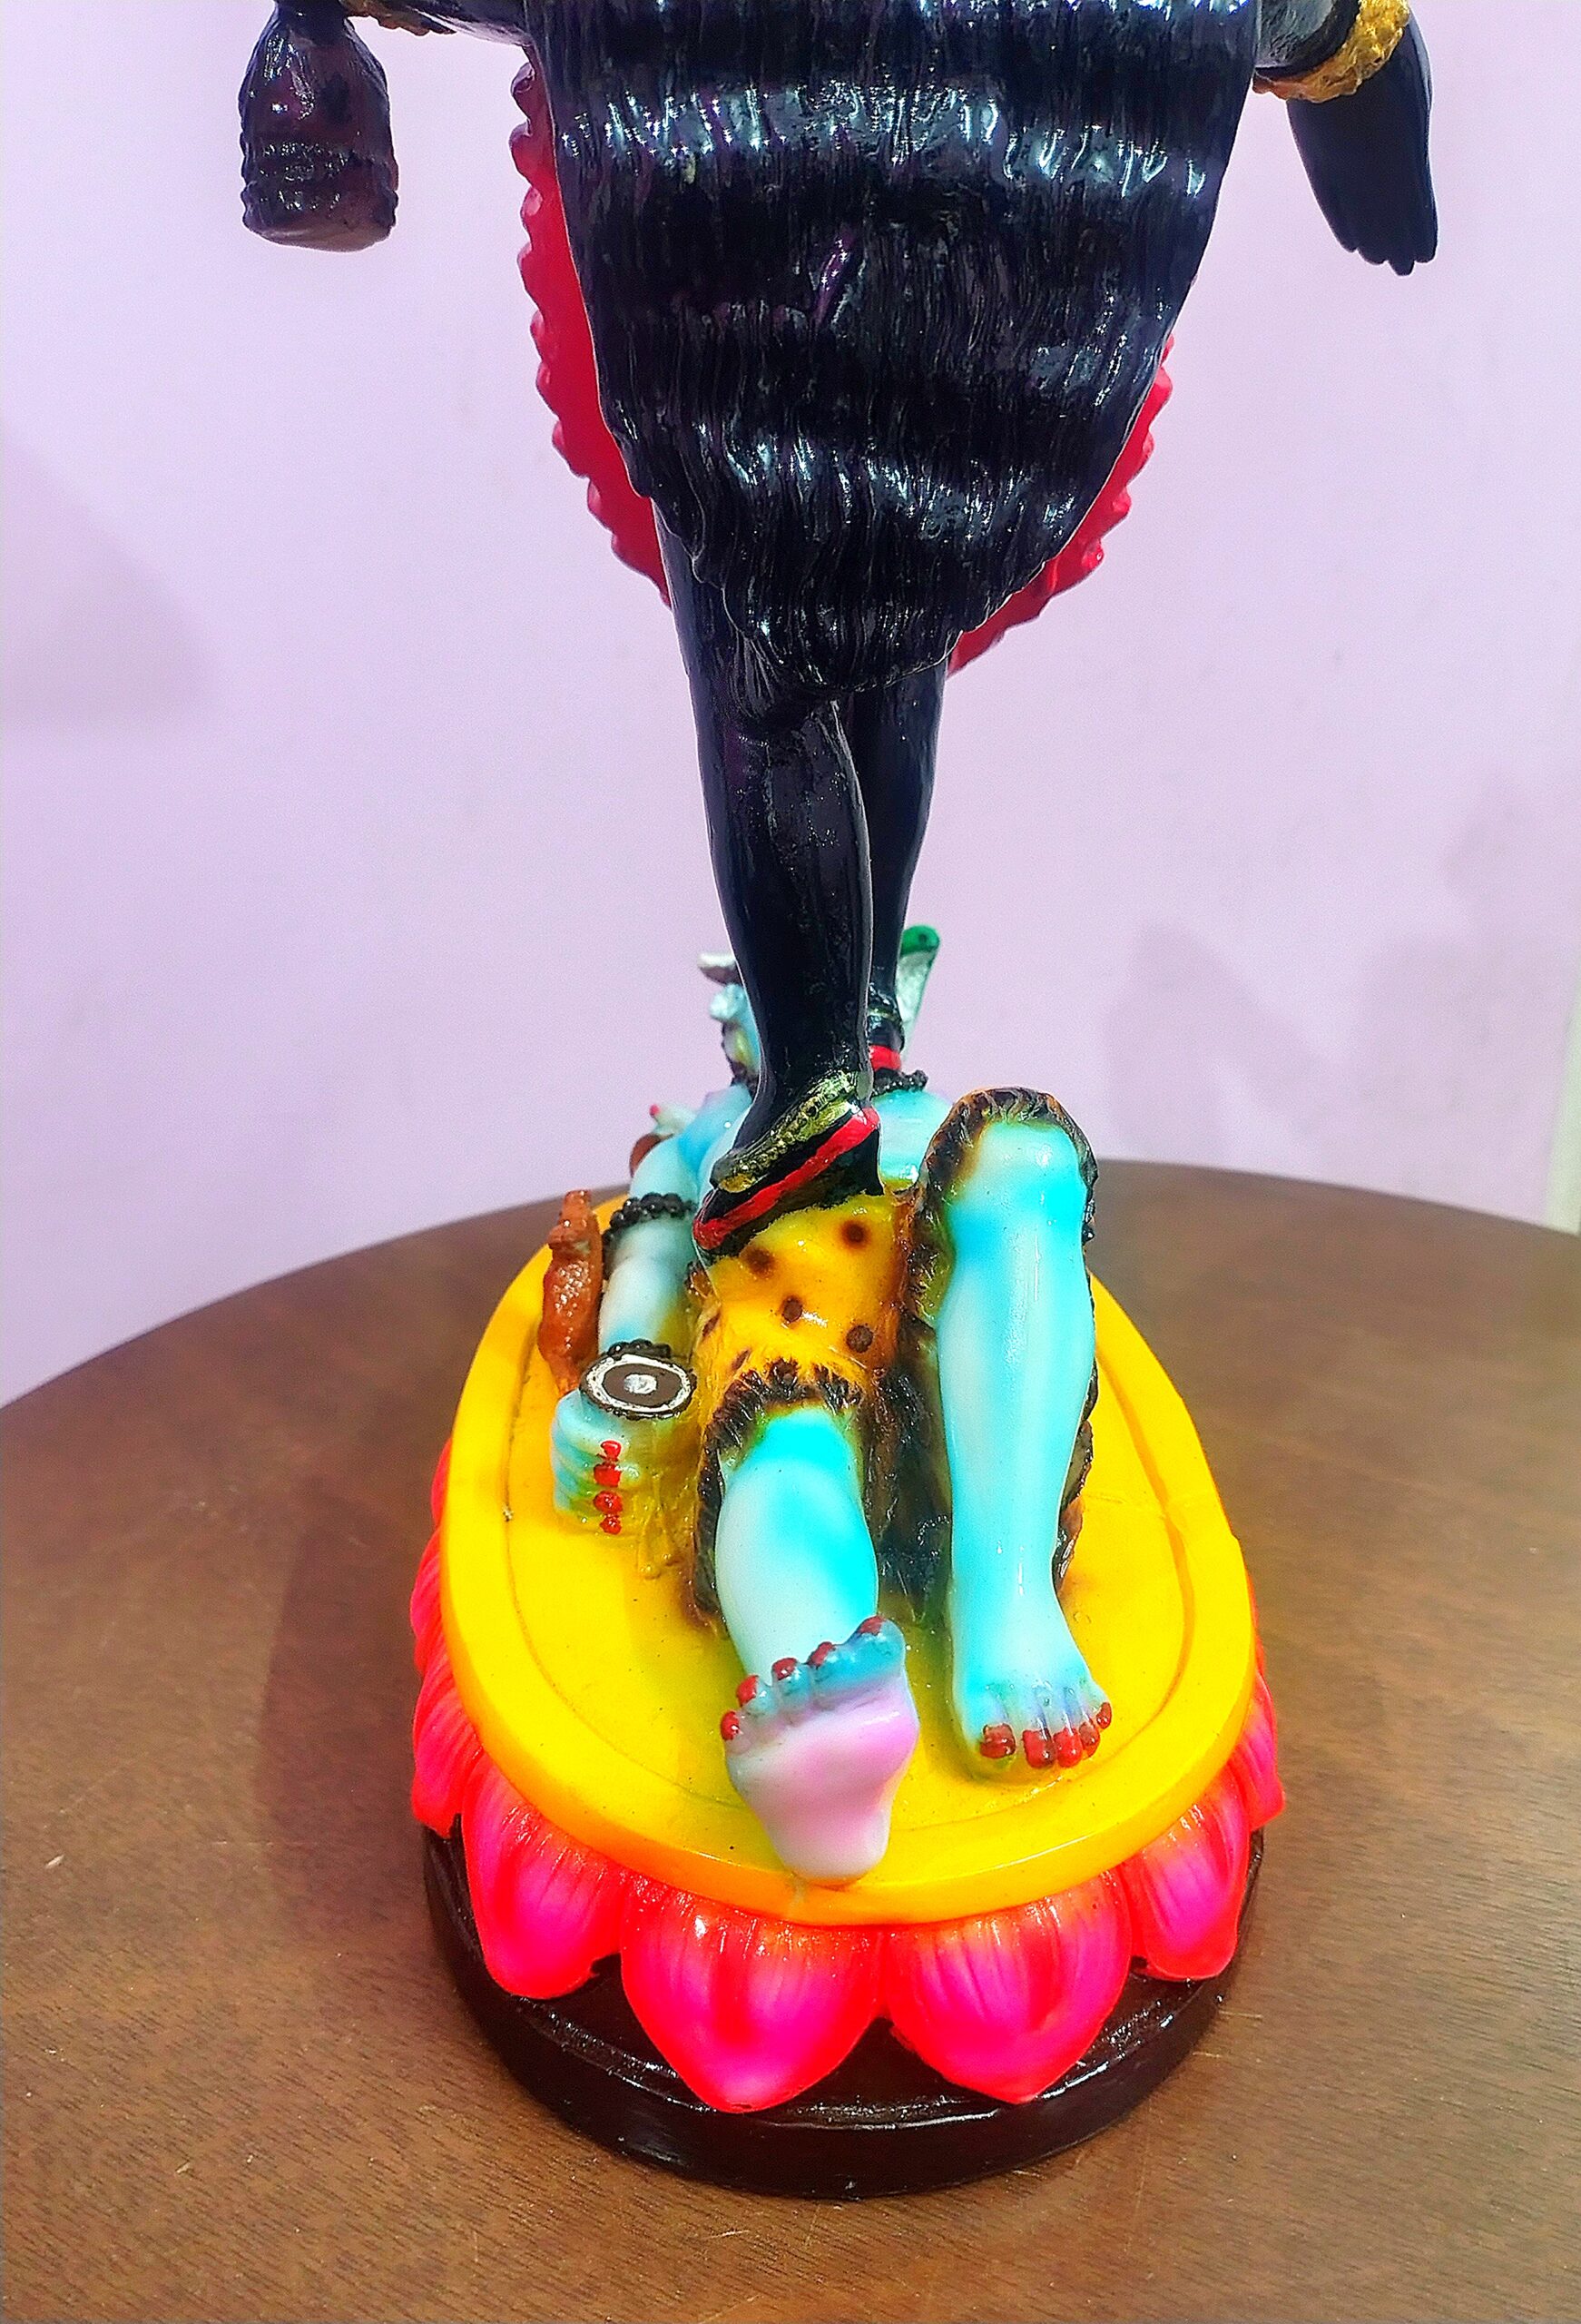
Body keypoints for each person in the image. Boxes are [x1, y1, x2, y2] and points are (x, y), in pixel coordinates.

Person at [551, 954, 1109, 1883]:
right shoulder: (710, 1132)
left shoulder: (934, 1119)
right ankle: (826, 1703)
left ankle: (1006, 1598)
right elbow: (648, 1258)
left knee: (1027, 1159)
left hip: (969, 1344)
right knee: (787, 1441)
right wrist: (626, 1371)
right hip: (787, 1314)